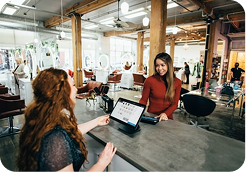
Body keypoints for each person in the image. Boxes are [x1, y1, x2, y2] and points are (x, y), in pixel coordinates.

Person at [17, 67, 117, 172]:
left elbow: (69, 133)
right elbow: (60, 136)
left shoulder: (42, 116)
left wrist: (96, 122)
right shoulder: (54, 141)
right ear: (61, 92)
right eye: (73, 85)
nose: (76, 89)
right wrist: (102, 163)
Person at [139, 52, 182, 121]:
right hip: (151, 116)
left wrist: (165, 113)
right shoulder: (149, 80)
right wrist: (138, 111)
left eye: (162, 65)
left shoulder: (177, 82)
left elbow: (175, 104)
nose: (159, 68)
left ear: (168, 65)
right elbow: (143, 100)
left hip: (167, 118)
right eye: (157, 65)